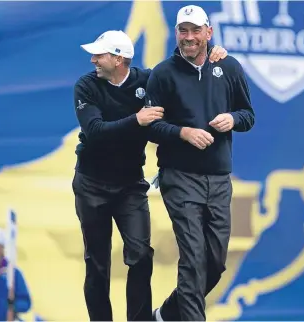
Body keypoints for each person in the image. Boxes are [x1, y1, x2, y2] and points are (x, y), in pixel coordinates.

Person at [73, 29, 228, 321]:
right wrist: (137, 119)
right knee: (97, 263)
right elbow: (94, 132)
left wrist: (214, 56)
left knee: (141, 255)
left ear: (119, 59)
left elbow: (180, 69)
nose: (93, 59)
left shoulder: (146, 81)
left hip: (130, 186)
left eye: (99, 54)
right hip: (91, 185)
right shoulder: (86, 85)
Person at [145, 5, 255, 321]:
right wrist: (183, 132)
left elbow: (248, 115)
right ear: (177, 33)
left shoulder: (228, 67)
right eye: (183, 30)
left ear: (208, 33)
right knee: (193, 258)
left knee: (215, 263)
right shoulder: (163, 73)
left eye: (196, 30)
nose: (189, 37)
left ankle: (166, 314)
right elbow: (150, 126)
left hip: (219, 179)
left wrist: (232, 119)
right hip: (179, 177)